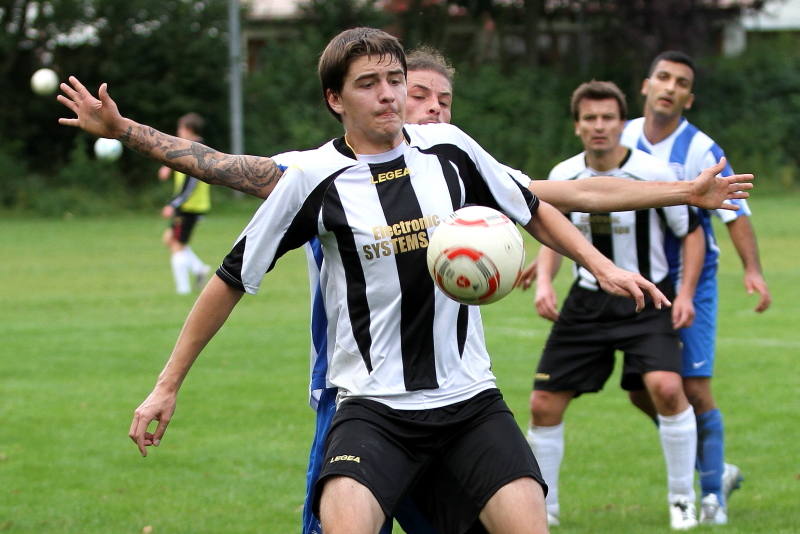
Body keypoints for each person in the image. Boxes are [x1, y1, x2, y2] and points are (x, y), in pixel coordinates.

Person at [61, 28, 678, 534]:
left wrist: (602, 265)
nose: (388, 95)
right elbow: (229, 276)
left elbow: (534, 205)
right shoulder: (312, 179)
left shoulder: (450, 149)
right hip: (372, 409)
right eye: (368, 84)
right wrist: (166, 385)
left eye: (394, 79)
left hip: (470, 402)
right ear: (335, 99)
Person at [527, 81, 704, 530]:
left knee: (667, 389)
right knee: (543, 403)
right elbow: (552, 229)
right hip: (587, 301)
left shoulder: (654, 172)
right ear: (577, 126)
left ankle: (683, 501)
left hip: (649, 297)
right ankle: (543, 510)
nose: (599, 126)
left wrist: (685, 294)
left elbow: (691, 232)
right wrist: (544, 280)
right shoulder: (563, 175)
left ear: (623, 124)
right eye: (590, 118)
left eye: (608, 117)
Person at [620, 51, 772, 525]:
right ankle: (715, 467)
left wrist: (752, 270)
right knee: (641, 390)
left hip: (692, 278)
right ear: (646, 85)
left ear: (688, 98)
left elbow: (735, 213)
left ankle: (712, 497)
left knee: (694, 388)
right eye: (663, 77)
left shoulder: (701, 149)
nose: (670, 86)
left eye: (681, 82)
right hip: (641, 277)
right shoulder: (621, 135)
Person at [157, 113, 212, 295]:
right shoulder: (188, 148)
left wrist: (172, 204)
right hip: (186, 205)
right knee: (169, 239)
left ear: (188, 130)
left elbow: (190, 185)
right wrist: (168, 166)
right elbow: (178, 159)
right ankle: (199, 269)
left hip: (190, 206)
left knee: (177, 245)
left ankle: (183, 290)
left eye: (180, 129)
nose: (178, 132)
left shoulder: (198, 152)